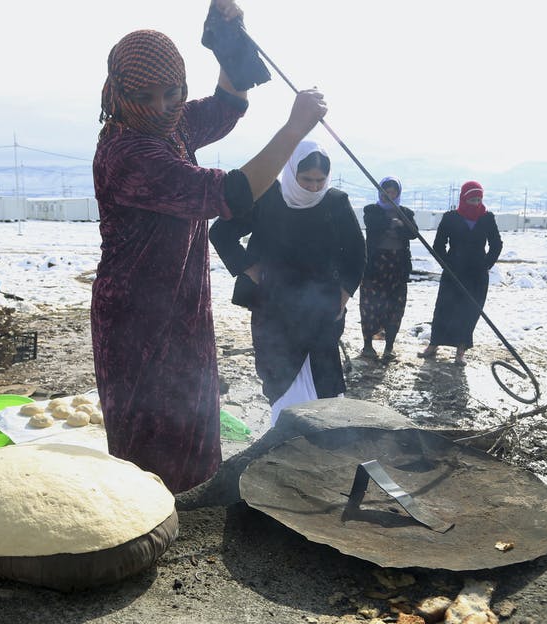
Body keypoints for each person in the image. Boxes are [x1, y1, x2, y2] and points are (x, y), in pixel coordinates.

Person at [92, 6, 327, 493]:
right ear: (119, 94)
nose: (161, 105)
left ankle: (189, 506)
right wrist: (293, 130)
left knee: (192, 415)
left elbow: (225, 107)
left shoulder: (170, 124)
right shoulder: (129, 152)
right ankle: (145, 522)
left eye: (172, 91)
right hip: (136, 316)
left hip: (181, 303)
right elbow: (233, 195)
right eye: (145, 97)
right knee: (148, 435)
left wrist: (226, 37)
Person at [210, 140, 365, 425]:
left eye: (320, 181)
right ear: (291, 172)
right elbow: (220, 233)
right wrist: (250, 269)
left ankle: (325, 442)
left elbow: (356, 254)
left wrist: (342, 297)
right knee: (280, 377)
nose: (314, 187)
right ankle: (284, 438)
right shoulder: (268, 197)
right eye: (306, 180)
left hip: (322, 307)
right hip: (274, 307)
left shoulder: (335, 203)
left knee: (325, 381)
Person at [419, 180, 503, 365]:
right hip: (453, 272)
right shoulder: (450, 218)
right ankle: (434, 345)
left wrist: (485, 265)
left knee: (469, 311)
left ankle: (461, 350)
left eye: (478, 199)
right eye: (472, 199)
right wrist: (447, 265)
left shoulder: (487, 218)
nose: (475, 203)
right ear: (464, 198)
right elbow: (438, 245)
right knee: (444, 309)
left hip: (477, 275)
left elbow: (496, 244)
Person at [358, 176, 419, 362]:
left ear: (398, 193)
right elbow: (374, 225)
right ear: (380, 193)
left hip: (397, 266)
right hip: (375, 265)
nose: (389, 195)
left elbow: (413, 233)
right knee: (370, 304)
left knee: (395, 306)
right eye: (386, 192)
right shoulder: (372, 210)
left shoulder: (406, 213)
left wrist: (401, 225)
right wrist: (393, 223)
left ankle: (389, 347)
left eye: (393, 192)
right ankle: (368, 345)